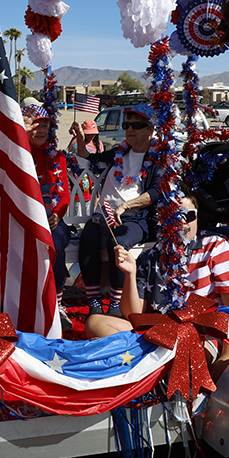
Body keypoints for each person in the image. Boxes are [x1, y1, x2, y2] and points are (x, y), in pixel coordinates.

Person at [85, 192, 229, 380]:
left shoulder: (217, 246)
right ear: (162, 221)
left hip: (203, 338)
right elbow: (133, 314)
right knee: (95, 323)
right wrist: (130, 274)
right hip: (160, 334)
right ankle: (149, 366)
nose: (182, 223)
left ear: (197, 217)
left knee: (186, 352)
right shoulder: (151, 256)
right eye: (173, 216)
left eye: (188, 216)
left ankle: (143, 367)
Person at [71, 103, 159, 316]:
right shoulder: (120, 152)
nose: (130, 129)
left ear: (150, 130)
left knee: (117, 243)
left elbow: (156, 192)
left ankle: (116, 303)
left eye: (137, 125)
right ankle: (93, 302)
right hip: (104, 215)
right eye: (126, 125)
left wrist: (125, 206)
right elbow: (89, 159)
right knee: (88, 240)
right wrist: (81, 137)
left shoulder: (158, 158)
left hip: (136, 219)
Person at [22, 97, 73, 331]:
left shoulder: (57, 158)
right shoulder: (17, 156)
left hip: (52, 218)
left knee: (57, 243)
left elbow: (64, 196)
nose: (41, 130)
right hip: (23, 219)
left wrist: (58, 215)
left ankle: (58, 304)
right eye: (35, 124)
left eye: (45, 125)